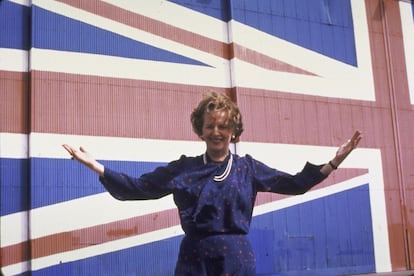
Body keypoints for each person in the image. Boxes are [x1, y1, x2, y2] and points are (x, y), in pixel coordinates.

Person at [63, 91, 362, 276]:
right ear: (200, 130)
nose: (217, 131)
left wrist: (334, 162)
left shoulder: (248, 168)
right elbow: (140, 188)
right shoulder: (184, 169)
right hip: (195, 261)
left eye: (224, 125)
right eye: (210, 126)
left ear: (234, 130)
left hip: (236, 259)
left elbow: (294, 183)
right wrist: (96, 166)